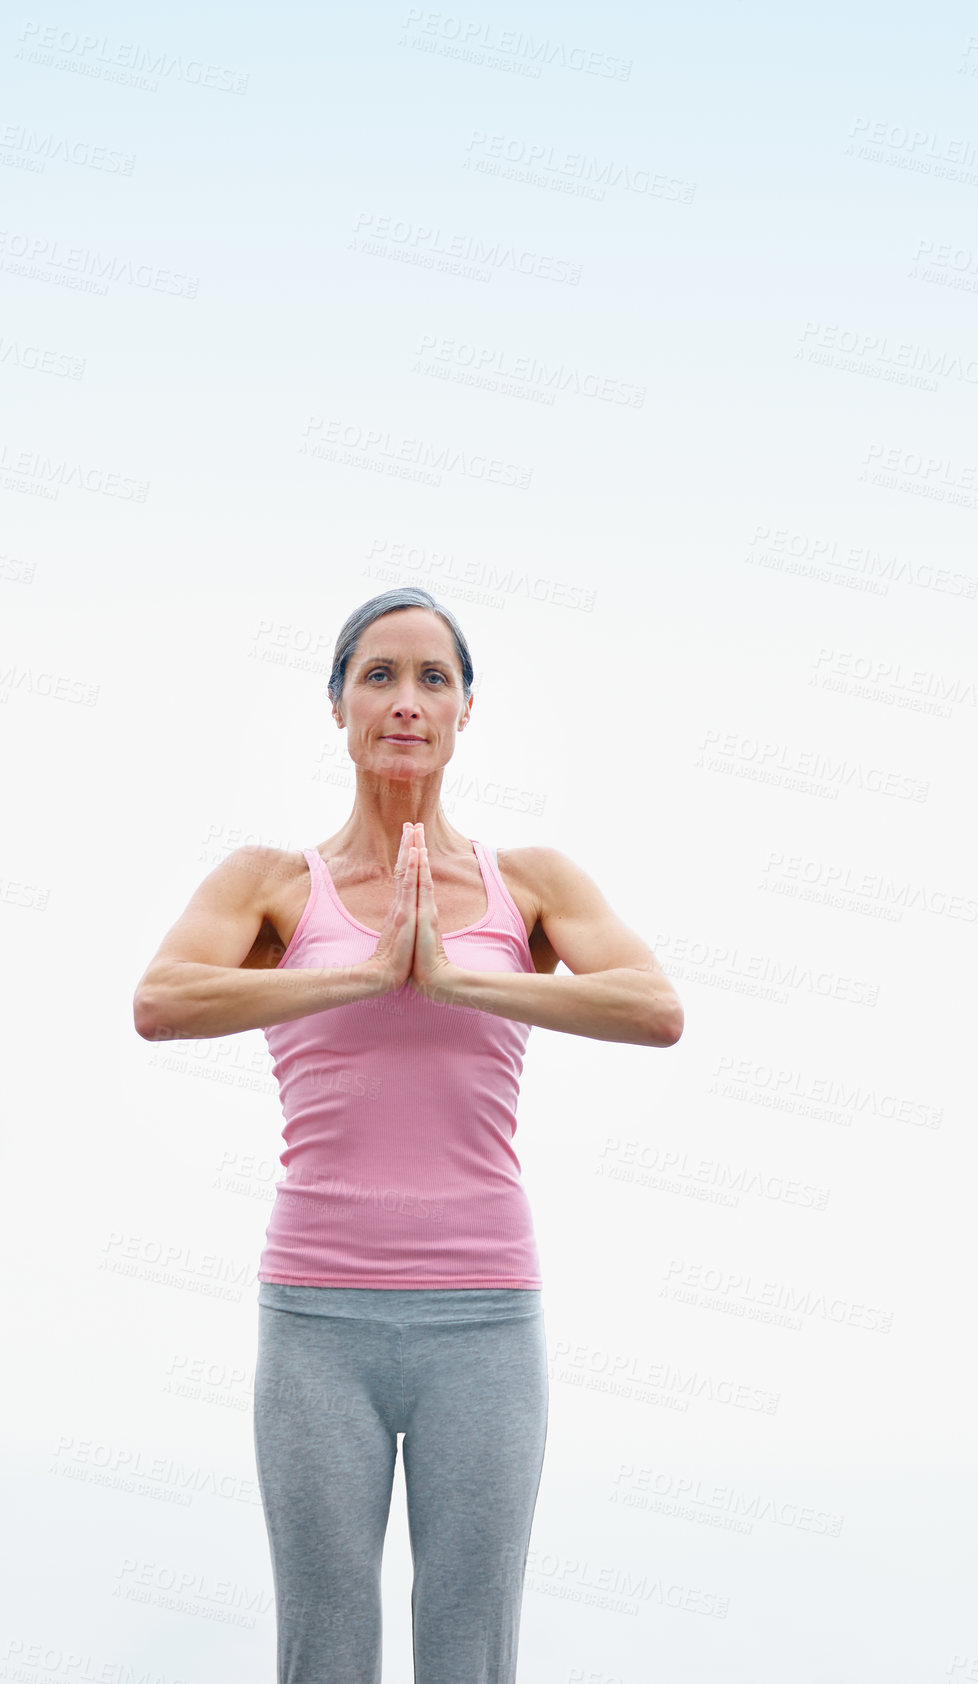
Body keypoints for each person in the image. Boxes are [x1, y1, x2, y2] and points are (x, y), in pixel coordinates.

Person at [131, 585, 684, 1684]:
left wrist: (458, 983)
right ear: (336, 704)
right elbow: (160, 1001)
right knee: (325, 1643)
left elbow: (653, 1008)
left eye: (434, 677)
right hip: (316, 1322)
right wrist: (368, 972)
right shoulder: (271, 884)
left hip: (484, 1318)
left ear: (466, 710)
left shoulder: (526, 885)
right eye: (378, 675)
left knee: (469, 1647)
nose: (405, 701)